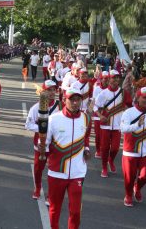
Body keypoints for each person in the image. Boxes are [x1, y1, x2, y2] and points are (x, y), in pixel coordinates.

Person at [45, 87, 91, 229]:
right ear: (64, 100)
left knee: (76, 211)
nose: (75, 103)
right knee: (55, 209)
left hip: (77, 172)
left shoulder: (86, 118)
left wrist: (87, 149)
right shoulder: (53, 119)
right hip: (57, 172)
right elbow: (45, 144)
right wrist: (44, 152)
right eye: (72, 99)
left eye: (78, 99)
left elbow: (86, 137)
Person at [120, 87, 146, 207]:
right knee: (129, 178)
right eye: (145, 97)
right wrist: (137, 125)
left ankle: (137, 187)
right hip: (130, 151)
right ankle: (128, 194)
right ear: (138, 98)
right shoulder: (129, 113)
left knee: (145, 176)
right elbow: (123, 129)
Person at [25, 80, 63, 200]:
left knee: (54, 170)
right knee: (38, 169)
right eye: (49, 90)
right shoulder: (36, 108)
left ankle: (51, 194)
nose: (52, 93)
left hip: (56, 143)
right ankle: (37, 187)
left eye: (53, 90)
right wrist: (42, 129)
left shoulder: (60, 106)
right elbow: (28, 124)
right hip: (41, 144)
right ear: (43, 91)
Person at [95, 70, 133, 178]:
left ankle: (110, 160)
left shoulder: (123, 93)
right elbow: (95, 107)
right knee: (105, 147)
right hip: (106, 124)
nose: (115, 80)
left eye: (117, 78)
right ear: (109, 79)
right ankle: (104, 167)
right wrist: (100, 116)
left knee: (115, 148)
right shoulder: (103, 93)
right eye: (113, 78)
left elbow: (130, 105)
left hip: (118, 124)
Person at [91, 71, 109, 158]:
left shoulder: (112, 89)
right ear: (101, 79)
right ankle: (98, 150)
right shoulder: (97, 88)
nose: (106, 80)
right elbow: (94, 101)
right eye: (104, 78)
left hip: (108, 114)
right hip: (98, 114)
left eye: (108, 78)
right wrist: (92, 111)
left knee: (105, 135)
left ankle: (104, 149)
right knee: (98, 134)